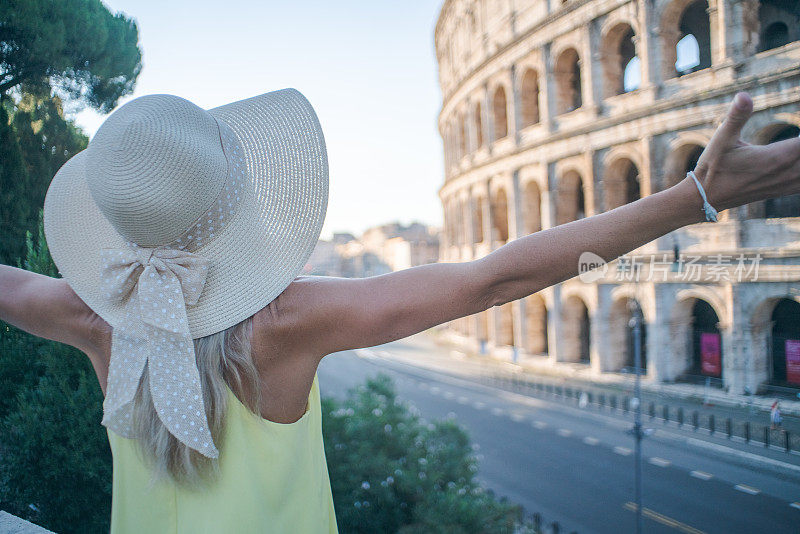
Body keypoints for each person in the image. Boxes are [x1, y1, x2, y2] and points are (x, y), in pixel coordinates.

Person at [0, 88, 798, 533]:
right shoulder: (287, 321)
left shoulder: (89, 316)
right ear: (233, 204)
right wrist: (694, 196)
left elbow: (9, 288)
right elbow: (491, 280)